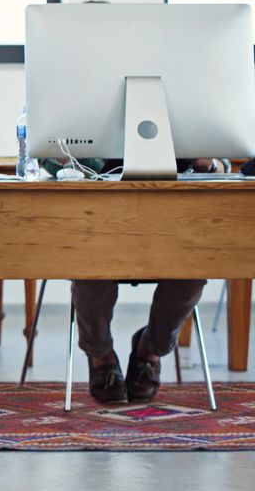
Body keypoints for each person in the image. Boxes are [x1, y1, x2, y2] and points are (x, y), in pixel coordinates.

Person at [68, 158, 221, 404]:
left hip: (173, 226)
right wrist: (74, 161)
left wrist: (210, 165)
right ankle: (100, 356)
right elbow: (48, 159)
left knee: (193, 270)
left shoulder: (187, 121)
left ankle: (151, 350)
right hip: (99, 222)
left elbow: (222, 164)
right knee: (88, 267)